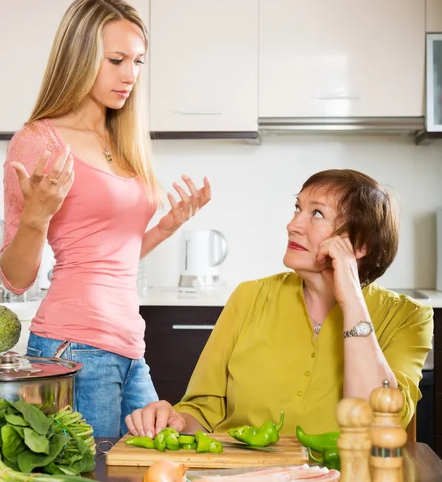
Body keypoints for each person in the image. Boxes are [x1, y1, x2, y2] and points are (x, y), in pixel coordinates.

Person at [0, 0, 211, 438]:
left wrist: (166, 226)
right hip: (75, 345)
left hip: (131, 347)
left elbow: (110, 257)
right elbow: (14, 278)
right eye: (116, 60)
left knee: (153, 470)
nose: (129, 75)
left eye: (137, 62)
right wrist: (36, 217)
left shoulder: (122, 138)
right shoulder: (41, 140)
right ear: (79, 57)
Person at [126, 169, 433, 438]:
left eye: (316, 214)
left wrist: (351, 298)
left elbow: (381, 423)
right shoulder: (250, 297)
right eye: (297, 208)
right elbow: (203, 410)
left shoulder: (408, 317)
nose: (293, 224)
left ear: (360, 244)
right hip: (243, 478)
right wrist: (175, 420)